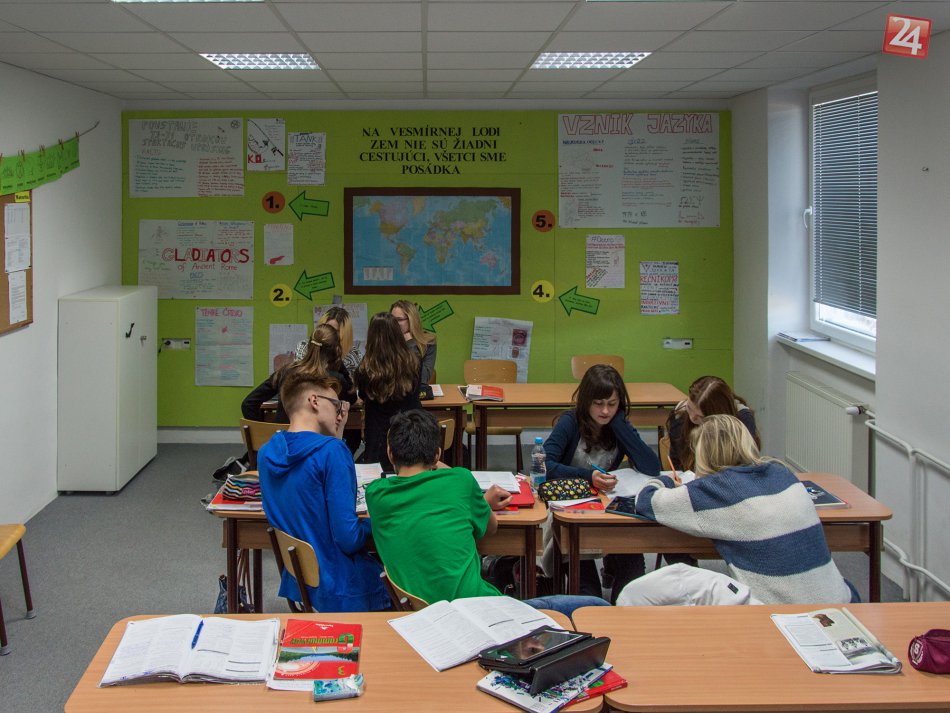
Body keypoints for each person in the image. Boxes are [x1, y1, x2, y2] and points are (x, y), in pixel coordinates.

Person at [365, 409, 609, 617]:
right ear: (437, 455)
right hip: (480, 611)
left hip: (422, 617)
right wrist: (479, 500)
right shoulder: (459, 480)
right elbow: (490, 528)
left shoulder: (376, 494)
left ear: (390, 453)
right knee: (596, 607)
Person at [616, 414, 856, 606]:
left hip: (782, 614)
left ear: (703, 453)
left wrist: (667, 480)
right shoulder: (782, 472)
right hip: (841, 600)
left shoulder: (714, 490)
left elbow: (646, 501)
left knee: (682, 581)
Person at [257, 369, 390, 612]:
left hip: (303, 581)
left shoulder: (267, 452)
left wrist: (336, 437)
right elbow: (349, 540)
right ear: (314, 401)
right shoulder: (332, 453)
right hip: (342, 584)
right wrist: (375, 519)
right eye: (336, 405)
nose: (339, 413)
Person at [543, 364, 661, 602]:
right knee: (589, 595)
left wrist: (620, 425)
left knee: (632, 583)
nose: (605, 411)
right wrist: (588, 477)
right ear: (586, 401)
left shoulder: (617, 424)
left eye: (612, 404)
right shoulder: (570, 422)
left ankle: (615, 582)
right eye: (598, 404)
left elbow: (652, 467)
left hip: (608, 508)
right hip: (572, 510)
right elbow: (545, 465)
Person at [242, 324, 352, 424]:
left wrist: (263, 432)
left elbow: (248, 404)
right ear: (336, 350)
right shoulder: (335, 379)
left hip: (284, 437)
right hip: (316, 439)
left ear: (309, 345)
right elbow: (352, 398)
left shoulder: (286, 371)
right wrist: (339, 363)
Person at [354, 311, 421, 469]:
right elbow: (416, 390)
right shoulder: (413, 361)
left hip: (377, 433)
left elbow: (362, 395)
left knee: (379, 473)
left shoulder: (366, 367)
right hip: (408, 428)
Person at [666, 375, 758, 471]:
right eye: (689, 408)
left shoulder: (742, 420)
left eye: (700, 416)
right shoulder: (680, 415)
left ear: (718, 414)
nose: (692, 417)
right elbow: (677, 461)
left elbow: (746, 465)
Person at [391, 299, 437, 384]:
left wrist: (410, 344)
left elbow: (423, 378)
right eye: (392, 319)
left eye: (399, 319)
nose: (393, 323)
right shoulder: (386, 339)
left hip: (416, 390)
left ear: (411, 320)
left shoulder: (428, 341)